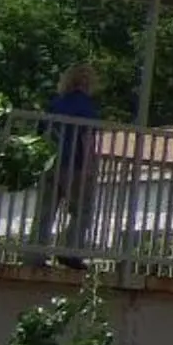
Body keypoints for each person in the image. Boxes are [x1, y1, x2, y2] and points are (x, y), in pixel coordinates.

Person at [41, 61, 102, 264]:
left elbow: (43, 133)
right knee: (83, 209)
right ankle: (69, 250)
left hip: (50, 163)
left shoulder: (55, 103)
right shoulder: (85, 106)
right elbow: (87, 138)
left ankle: (33, 254)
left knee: (45, 212)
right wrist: (89, 167)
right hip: (74, 164)